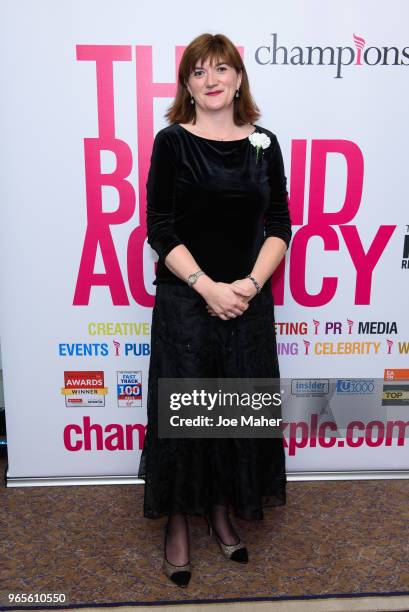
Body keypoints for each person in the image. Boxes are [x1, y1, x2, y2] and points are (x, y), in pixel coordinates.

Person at [137, 32, 292, 588]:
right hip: (187, 299)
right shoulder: (172, 142)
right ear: (187, 84)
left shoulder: (265, 143)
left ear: (238, 78)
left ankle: (221, 507)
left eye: (222, 68)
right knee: (186, 411)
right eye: (199, 71)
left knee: (232, 407)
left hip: (247, 300)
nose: (212, 79)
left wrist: (247, 285)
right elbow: (160, 227)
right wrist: (208, 287)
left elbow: (280, 225)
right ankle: (178, 518)